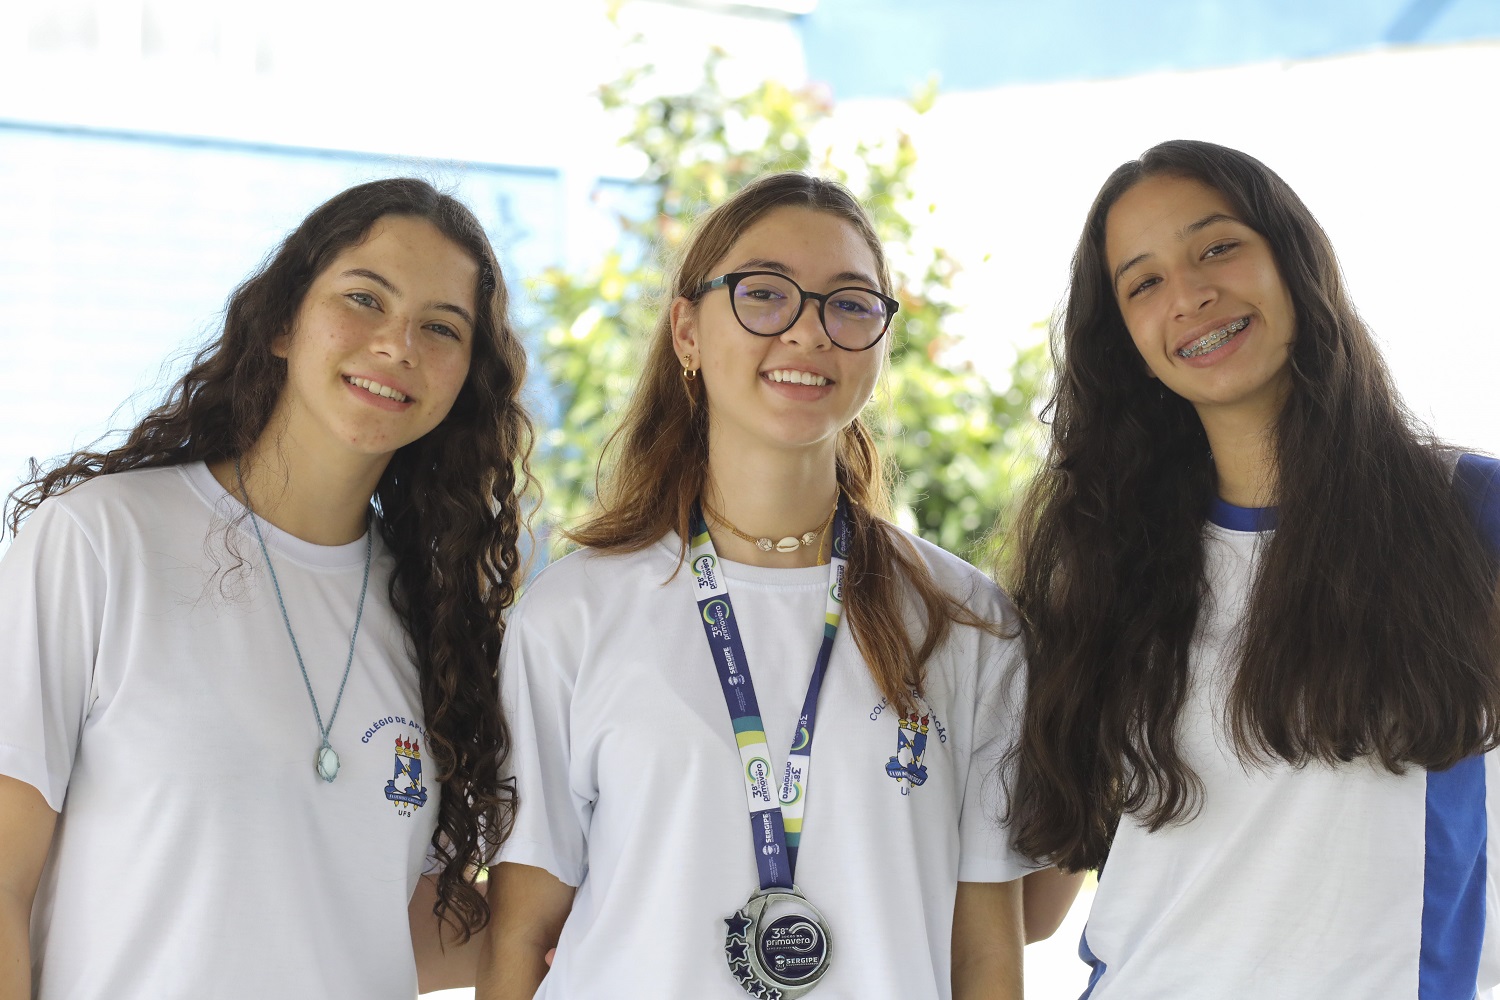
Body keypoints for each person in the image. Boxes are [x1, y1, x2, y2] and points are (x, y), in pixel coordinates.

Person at [477, 172, 1068, 1000]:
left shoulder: (966, 622)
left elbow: (985, 955)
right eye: (763, 295)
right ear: (687, 329)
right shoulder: (572, 616)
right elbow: (520, 935)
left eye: (850, 304)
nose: (807, 332)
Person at [0, 177, 533, 999]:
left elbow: (375, 913)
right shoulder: (100, 541)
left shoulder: (435, 618)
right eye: (365, 298)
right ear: (284, 321)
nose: (398, 345)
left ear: (466, 376)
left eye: (440, 327)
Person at [1004, 139, 1500, 999]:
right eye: (1144, 282)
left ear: (1293, 258)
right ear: (1125, 337)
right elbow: (1033, 905)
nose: (1191, 295)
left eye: (1217, 248)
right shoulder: (1101, 565)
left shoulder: (1468, 512)